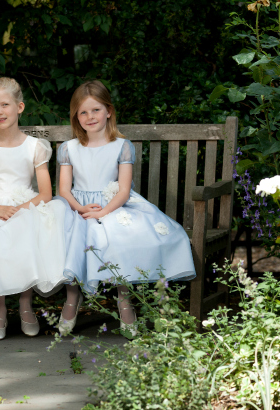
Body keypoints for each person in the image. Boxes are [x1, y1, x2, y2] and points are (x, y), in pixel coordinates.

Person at [55, 80, 195, 335]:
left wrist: (102, 212)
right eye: (83, 112)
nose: (90, 116)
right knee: (71, 235)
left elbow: (123, 189)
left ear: (109, 111)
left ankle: (124, 298)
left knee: (121, 236)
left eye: (96, 110)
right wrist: (81, 209)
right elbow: (64, 189)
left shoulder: (121, 146)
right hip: (76, 206)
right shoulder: (69, 148)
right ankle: (72, 297)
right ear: (76, 116)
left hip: (114, 205)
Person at [0, 77, 67, 340]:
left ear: (19, 107)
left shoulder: (34, 147)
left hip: (26, 202)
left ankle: (25, 305)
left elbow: (45, 193)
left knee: (28, 227)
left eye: (5, 105)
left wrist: (20, 208)